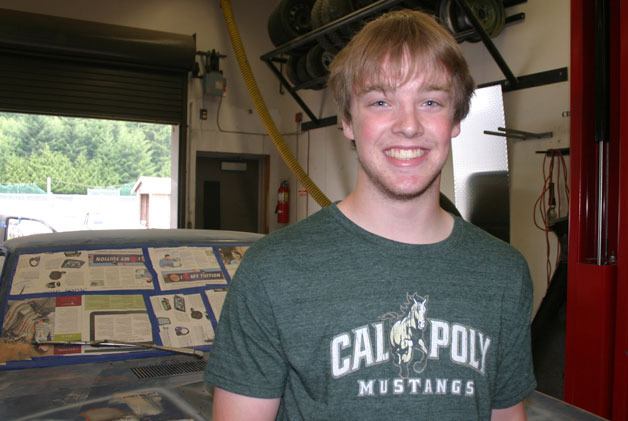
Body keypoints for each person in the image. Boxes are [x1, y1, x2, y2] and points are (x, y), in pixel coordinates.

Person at [204, 8, 536, 421]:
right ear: (346, 120)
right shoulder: (273, 272)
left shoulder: (503, 274)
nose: (409, 125)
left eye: (430, 101)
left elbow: (506, 414)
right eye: (381, 101)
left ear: (455, 119)